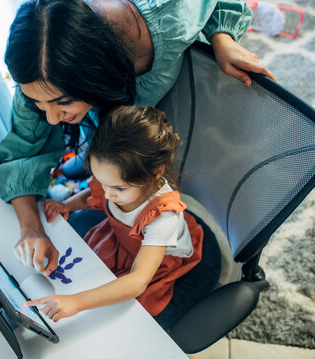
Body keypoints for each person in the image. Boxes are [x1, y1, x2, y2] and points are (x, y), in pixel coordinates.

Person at [0, 0, 276, 276]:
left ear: (95, 75)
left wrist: (222, 37)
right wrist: (32, 230)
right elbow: (23, 149)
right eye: (38, 103)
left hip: (174, 118)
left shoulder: (168, 15)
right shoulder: (40, 69)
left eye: (62, 103)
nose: (50, 118)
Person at [24, 105, 220, 328]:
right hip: (124, 240)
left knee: (126, 318)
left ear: (155, 173)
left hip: (158, 260)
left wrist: (77, 302)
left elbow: (137, 281)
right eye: (102, 181)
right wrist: (67, 205)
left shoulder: (163, 218)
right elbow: (94, 191)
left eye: (118, 189)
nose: (107, 194)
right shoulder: (114, 178)